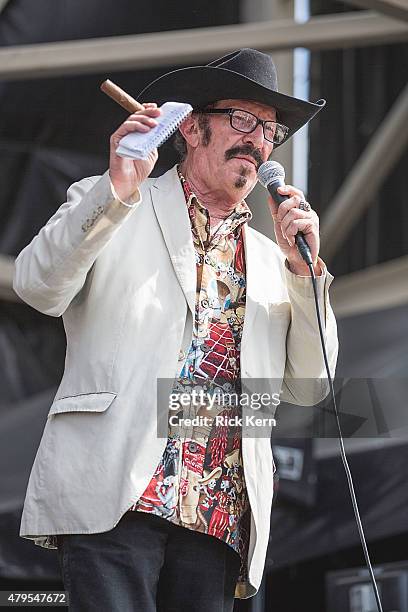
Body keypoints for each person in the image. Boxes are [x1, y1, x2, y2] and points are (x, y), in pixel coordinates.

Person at [13, 48, 338, 611]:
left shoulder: (272, 260)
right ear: (190, 128)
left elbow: (311, 385)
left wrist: (305, 273)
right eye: (242, 120)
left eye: (269, 130)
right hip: (118, 493)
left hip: (217, 512)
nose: (257, 141)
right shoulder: (117, 204)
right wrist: (115, 188)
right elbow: (37, 286)